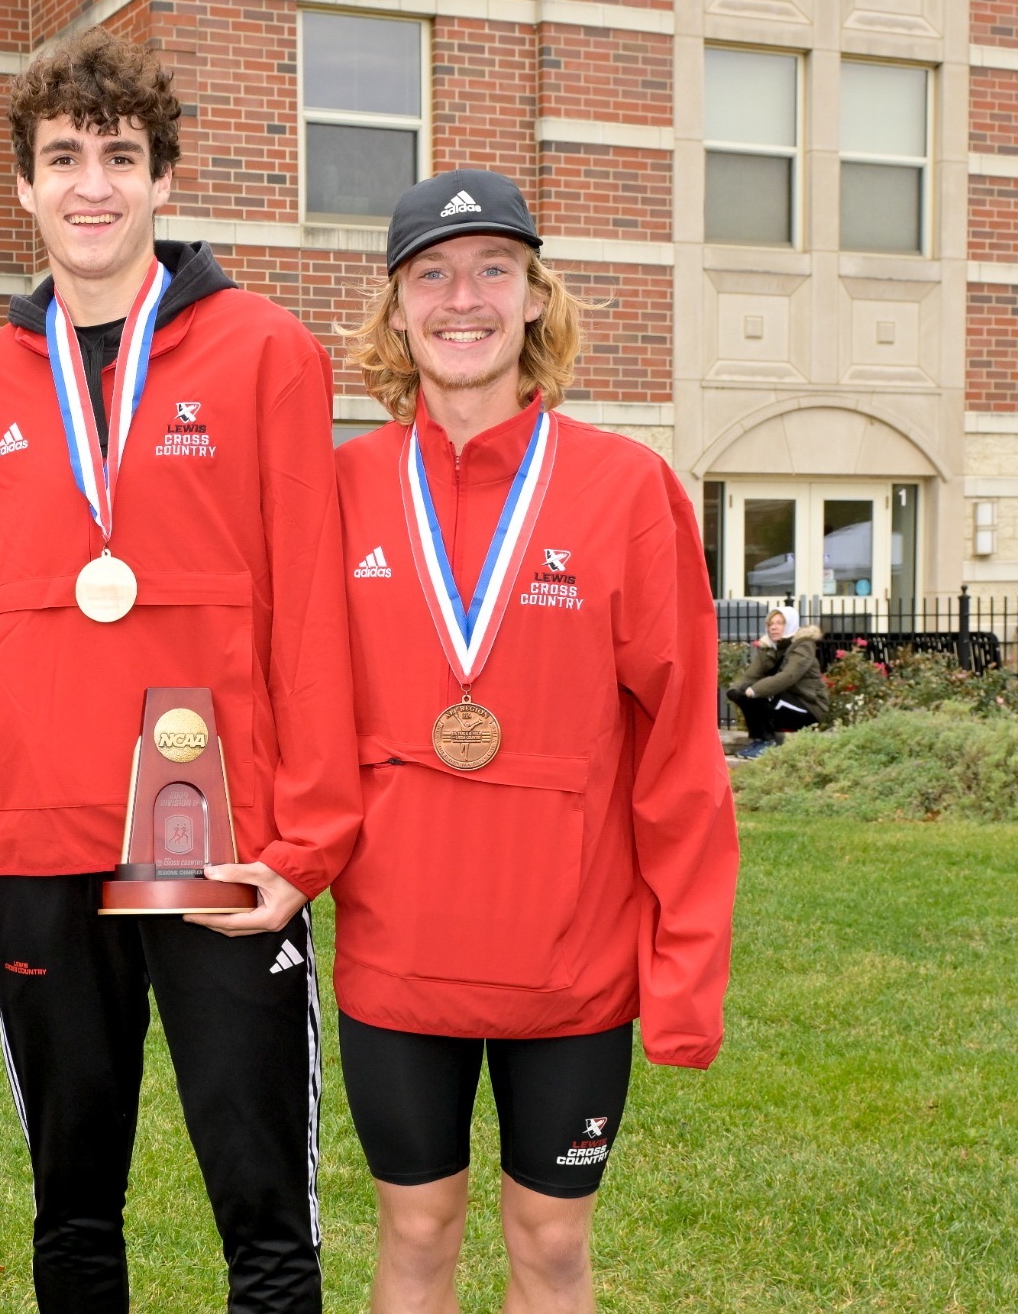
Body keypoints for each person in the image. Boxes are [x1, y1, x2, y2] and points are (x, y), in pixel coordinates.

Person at [0, 28, 360, 1313]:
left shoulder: (265, 353)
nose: (90, 185)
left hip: (216, 845)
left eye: (117, 157)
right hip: (36, 849)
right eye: (61, 157)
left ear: (162, 179)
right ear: (19, 185)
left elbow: (307, 612)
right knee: (71, 1209)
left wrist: (305, 843)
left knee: (263, 1217)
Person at [333, 168, 740, 1314]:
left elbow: (678, 758)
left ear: (530, 298)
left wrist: (685, 969)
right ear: (396, 308)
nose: (460, 298)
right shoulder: (341, 489)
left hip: (570, 963)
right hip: (397, 953)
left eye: (490, 271)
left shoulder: (625, 489)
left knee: (550, 1248)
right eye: (431, 275)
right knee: (413, 1233)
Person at [726, 605, 827, 758]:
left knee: (760, 695)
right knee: (745, 695)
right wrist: (735, 690)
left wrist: (755, 690)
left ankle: (768, 743)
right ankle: (759, 741)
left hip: (809, 706)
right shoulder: (769, 648)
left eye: (780, 623)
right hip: (785, 703)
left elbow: (788, 676)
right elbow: (751, 675)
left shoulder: (803, 646)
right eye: (771, 623)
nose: (774, 627)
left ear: (791, 624)